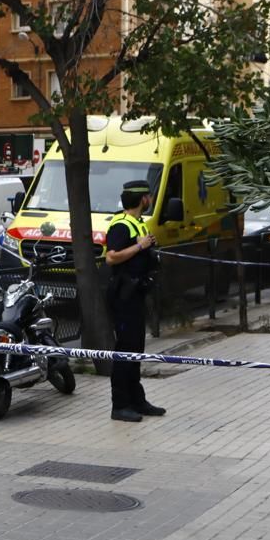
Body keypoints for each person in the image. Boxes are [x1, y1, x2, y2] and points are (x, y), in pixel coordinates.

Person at [105, 179, 165, 423]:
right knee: (125, 350)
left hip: (136, 294)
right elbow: (112, 258)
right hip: (124, 295)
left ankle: (137, 400)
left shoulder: (138, 223)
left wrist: (148, 248)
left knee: (136, 349)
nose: (150, 199)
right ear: (143, 199)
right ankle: (120, 405)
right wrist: (140, 247)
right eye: (148, 196)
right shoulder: (121, 225)